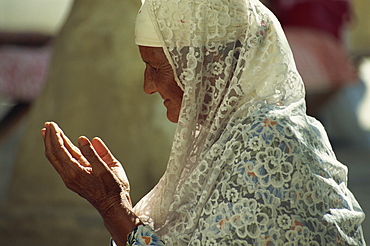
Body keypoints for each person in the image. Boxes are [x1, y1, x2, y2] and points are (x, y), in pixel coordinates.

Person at [41, 0, 366, 245]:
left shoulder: (267, 138)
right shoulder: (227, 133)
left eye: (156, 67)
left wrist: (112, 205)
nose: (147, 86)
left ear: (208, 66)